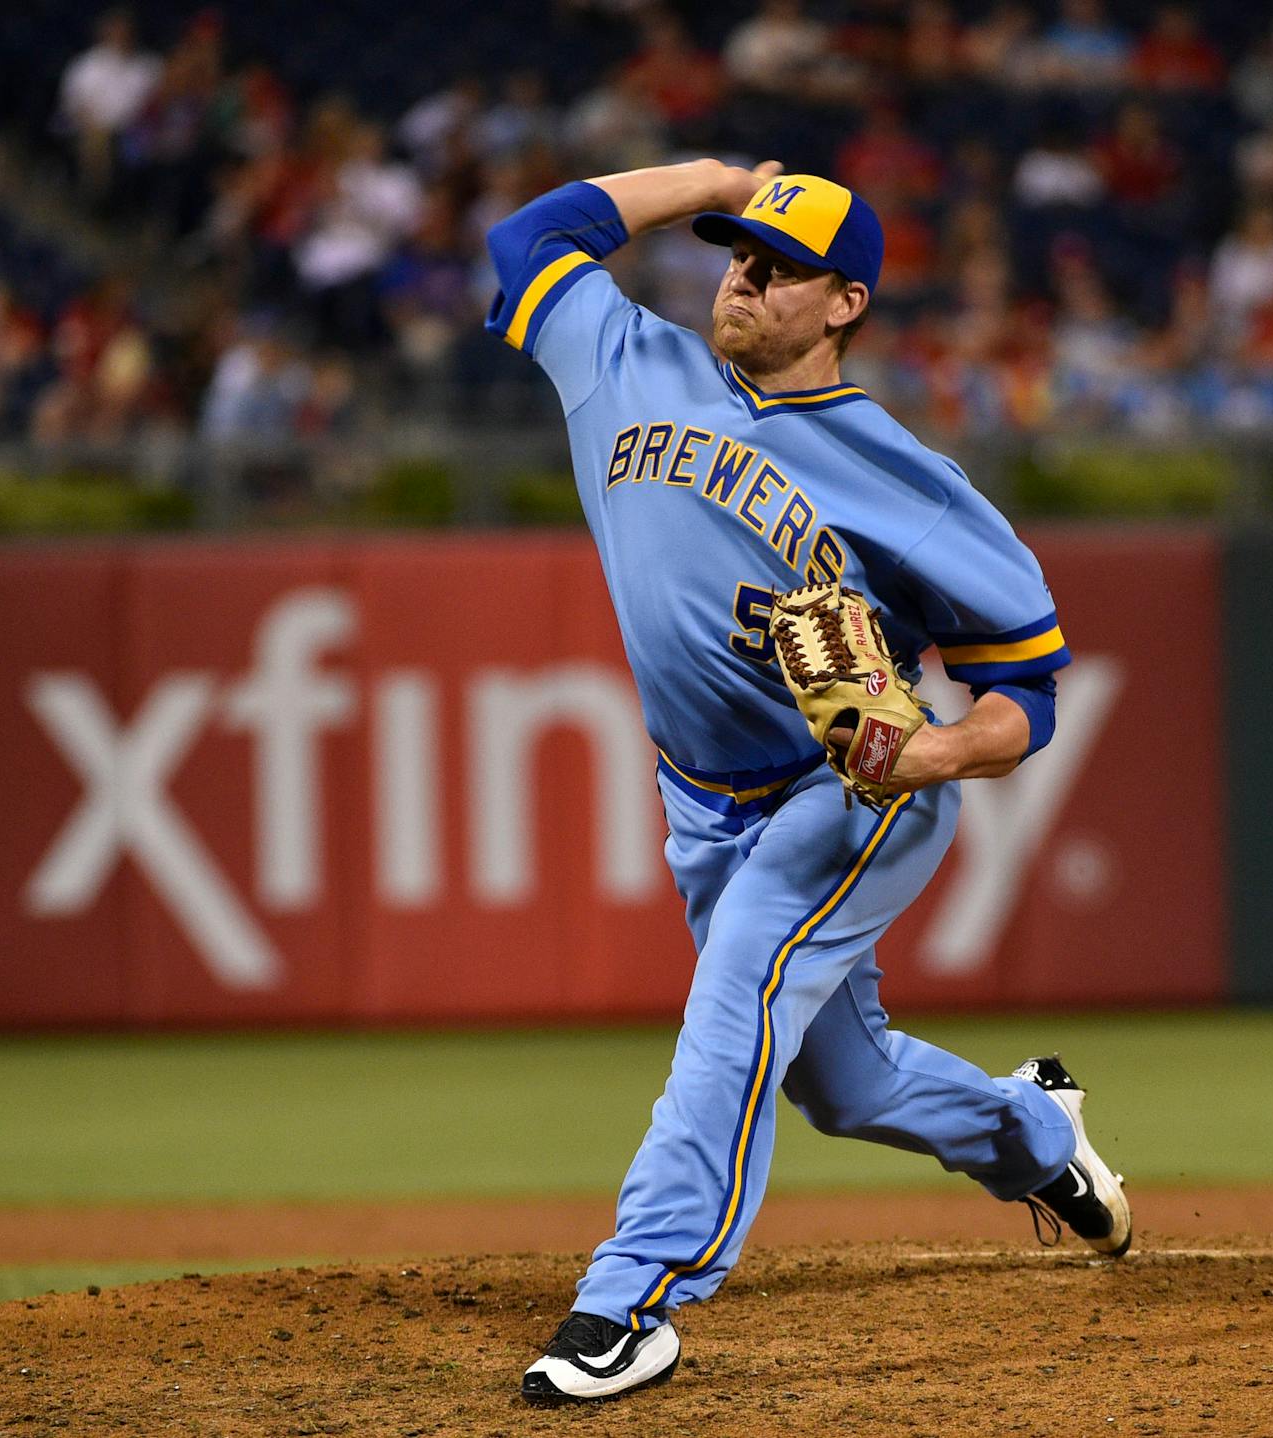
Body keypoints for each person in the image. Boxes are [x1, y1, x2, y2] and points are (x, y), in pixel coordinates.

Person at [484, 159, 1132, 1406]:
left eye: (780, 267)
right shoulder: (624, 361)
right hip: (702, 799)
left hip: (849, 793)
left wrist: (933, 753)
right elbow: (530, 236)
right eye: (737, 252)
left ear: (845, 303)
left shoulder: (907, 480)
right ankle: (1038, 1134)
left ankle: (631, 1299)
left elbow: (1027, 695)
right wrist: (717, 178)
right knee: (847, 1083)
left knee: (736, 995)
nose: (743, 276)